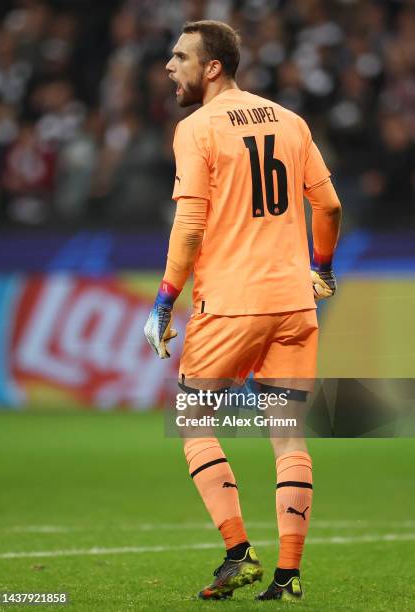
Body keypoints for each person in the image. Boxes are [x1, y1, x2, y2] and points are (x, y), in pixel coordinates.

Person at [144, 20, 341, 601]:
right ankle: (288, 572)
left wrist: (163, 300)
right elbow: (328, 205)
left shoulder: (197, 128)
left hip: (230, 303)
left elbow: (189, 225)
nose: (168, 67)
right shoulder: (291, 121)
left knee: (194, 420)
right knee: (288, 435)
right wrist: (322, 267)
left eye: (180, 57)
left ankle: (238, 551)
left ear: (212, 67)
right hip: (293, 302)